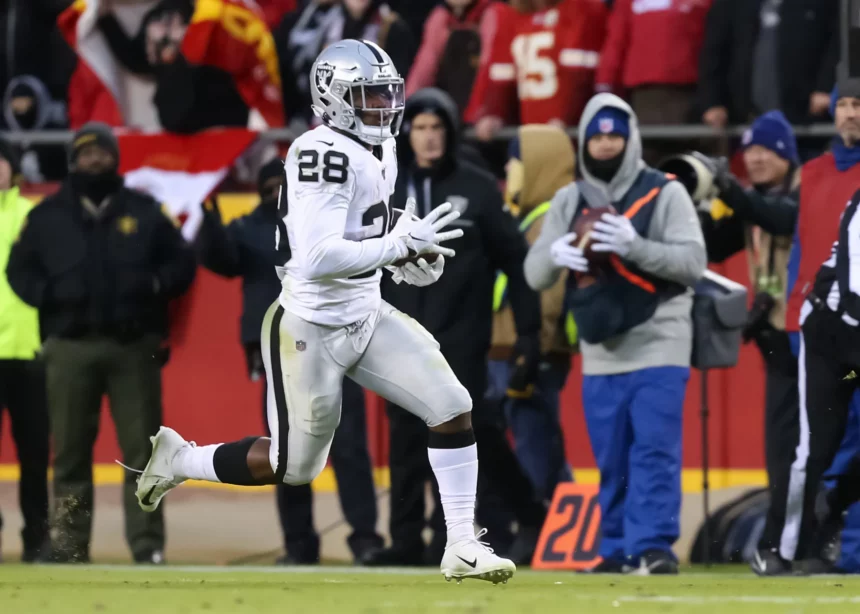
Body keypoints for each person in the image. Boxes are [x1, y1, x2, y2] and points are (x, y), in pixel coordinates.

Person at [132, 40, 516, 584]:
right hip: (309, 326)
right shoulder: (320, 152)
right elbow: (315, 257)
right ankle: (181, 460)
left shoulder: (377, 148)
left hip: (365, 311)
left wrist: (409, 252)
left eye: (387, 93)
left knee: (452, 404)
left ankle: (461, 544)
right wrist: (398, 249)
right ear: (333, 99)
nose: (384, 106)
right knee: (295, 466)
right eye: (369, 95)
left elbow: (367, 225)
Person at [525, 93, 707, 574]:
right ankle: (618, 547)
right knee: (611, 457)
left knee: (654, 450)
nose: (606, 144)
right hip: (600, 344)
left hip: (660, 336)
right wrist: (554, 254)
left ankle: (653, 545)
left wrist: (637, 245)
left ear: (630, 140)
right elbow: (533, 273)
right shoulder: (569, 199)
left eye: (614, 135)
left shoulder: (666, 191)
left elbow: (692, 263)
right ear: (585, 141)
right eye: (598, 135)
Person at [363, 88, 545, 567]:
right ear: (407, 135)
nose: (428, 137)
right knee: (404, 434)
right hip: (396, 332)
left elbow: (516, 260)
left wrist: (529, 333)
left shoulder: (479, 187)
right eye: (419, 128)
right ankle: (405, 540)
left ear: (450, 132)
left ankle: (510, 520)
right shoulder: (386, 190)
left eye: (436, 127)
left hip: (462, 336)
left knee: (475, 429)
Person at [6, 122, 197, 564]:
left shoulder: (145, 211)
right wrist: (48, 298)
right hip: (69, 348)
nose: (94, 160)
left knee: (144, 453)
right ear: (73, 161)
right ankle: (70, 548)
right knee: (70, 453)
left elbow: (182, 261)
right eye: (86, 153)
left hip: (132, 348)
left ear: (115, 158)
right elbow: (19, 271)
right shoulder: (47, 215)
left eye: (102, 153)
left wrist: (154, 283)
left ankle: (148, 546)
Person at [196, 159, 383, 564]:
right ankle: (301, 545)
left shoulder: (327, 223)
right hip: (282, 355)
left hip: (335, 347)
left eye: (280, 183)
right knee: (289, 455)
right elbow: (220, 260)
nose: (275, 191)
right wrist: (208, 223)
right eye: (268, 185)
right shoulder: (247, 228)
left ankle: (365, 540)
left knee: (349, 450)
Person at [695, 111, 802, 574]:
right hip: (775, 337)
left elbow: (783, 219)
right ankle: (783, 542)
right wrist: (696, 199)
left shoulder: (805, 191)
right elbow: (710, 245)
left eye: (765, 150)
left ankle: (815, 535)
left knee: (816, 444)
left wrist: (731, 191)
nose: (755, 159)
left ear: (786, 154)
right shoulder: (752, 200)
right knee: (780, 447)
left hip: (813, 336)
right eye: (749, 151)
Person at [780, 82, 860, 569]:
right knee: (823, 445)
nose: (851, 114)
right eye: (846, 106)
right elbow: (801, 248)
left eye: (859, 105)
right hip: (829, 324)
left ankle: (839, 535)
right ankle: (811, 544)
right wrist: (794, 316)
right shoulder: (811, 173)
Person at [489, 124, 576, 502]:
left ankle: (540, 517)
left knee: (534, 439)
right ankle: (554, 516)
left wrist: (533, 348)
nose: (508, 172)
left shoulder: (549, 220)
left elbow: (549, 295)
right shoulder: (529, 216)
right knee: (536, 436)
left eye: (514, 163)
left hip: (526, 350)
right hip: (509, 347)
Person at [0, 136, 49, 563]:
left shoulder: (32, 216)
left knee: (34, 455)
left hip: (29, 352)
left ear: (12, 170)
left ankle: (37, 540)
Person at [466, 0, 608, 140]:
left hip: (570, 131)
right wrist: (494, 113)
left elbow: (581, 75)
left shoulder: (582, 7)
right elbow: (502, 76)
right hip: (530, 128)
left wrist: (567, 118)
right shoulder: (511, 14)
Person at [698, 0, 839, 128]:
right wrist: (712, 102)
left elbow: (837, 43)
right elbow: (714, 53)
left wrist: (825, 87)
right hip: (744, 118)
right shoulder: (731, 4)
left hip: (807, 116)